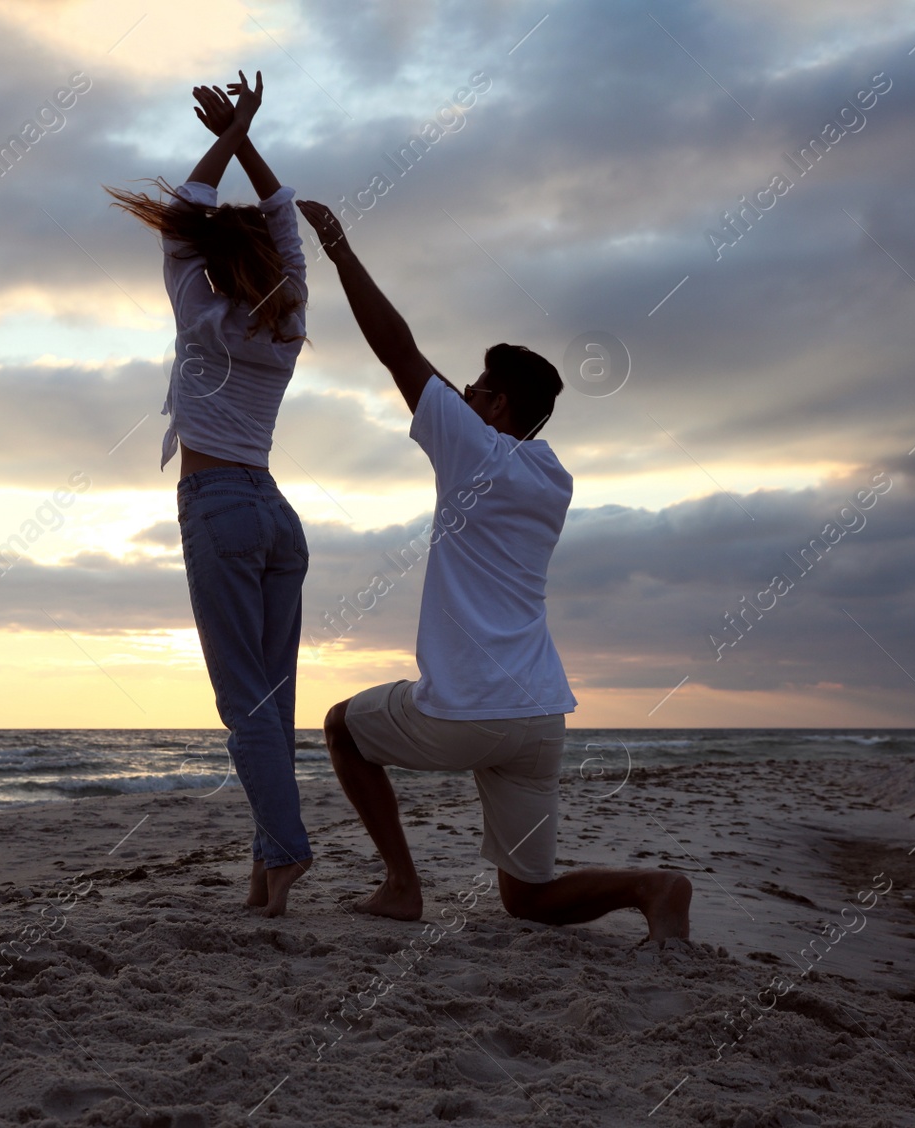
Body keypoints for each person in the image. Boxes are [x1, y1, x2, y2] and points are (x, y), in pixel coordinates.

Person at [295, 199, 693, 943]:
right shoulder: (553, 477)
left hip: (467, 710)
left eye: (476, 389)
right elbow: (440, 383)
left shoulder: (473, 450)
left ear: (499, 405)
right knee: (527, 899)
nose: (463, 395)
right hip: (539, 717)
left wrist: (339, 249)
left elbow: (400, 353)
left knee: (341, 727)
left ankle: (401, 887)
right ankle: (653, 886)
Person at [106, 72, 313, 916]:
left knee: (244, 706)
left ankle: (289, 851)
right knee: (275, 705)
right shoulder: (287, 318)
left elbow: (192, 202)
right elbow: (284, 218)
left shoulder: (197, 307)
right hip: (276, 514)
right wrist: (252, 135)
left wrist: (232, 133)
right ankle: (267, 877)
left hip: (220, 508)